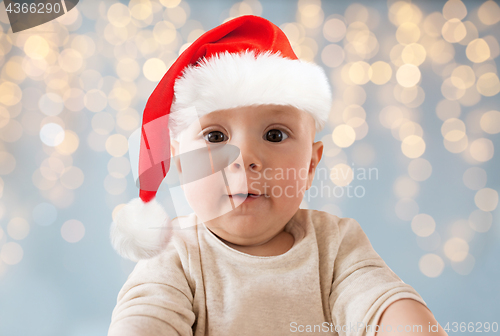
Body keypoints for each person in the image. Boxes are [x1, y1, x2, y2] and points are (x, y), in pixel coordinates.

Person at [108, 15, 447, 336]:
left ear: (311, 165)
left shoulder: (336, 245)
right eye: (215, 137)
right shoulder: (174, 255)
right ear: (181, 163)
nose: (246, 159)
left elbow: (379, 300)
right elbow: (146, 317)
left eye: (274, 135)